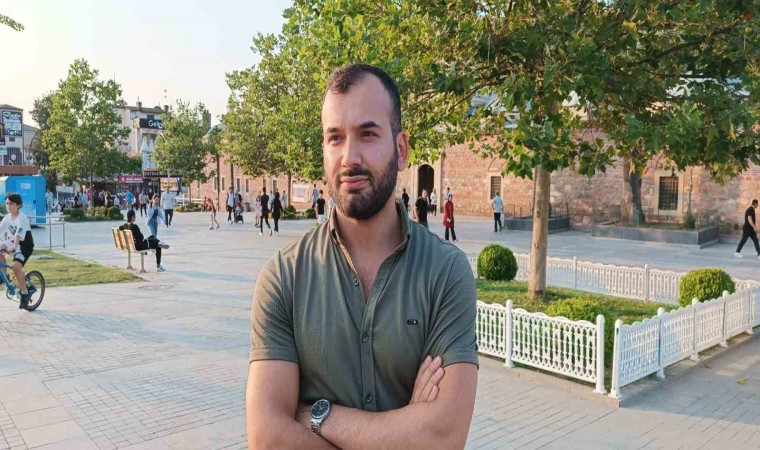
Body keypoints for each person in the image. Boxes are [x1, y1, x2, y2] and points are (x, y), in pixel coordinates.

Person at [247, 64, 477, 449]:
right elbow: (268, 439)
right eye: (335, 138)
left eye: (367, 134)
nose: (349, 157)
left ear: (400, 150)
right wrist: (408, 428)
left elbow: (443, 436)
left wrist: (319, 416)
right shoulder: (284, 279)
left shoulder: (444, 273)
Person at [0, 193, 35, 310]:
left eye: (11, 203)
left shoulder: (22, 217)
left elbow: (18, 234)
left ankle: (25, 293)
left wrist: (14, 247)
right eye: (7, 203)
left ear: (18, 205)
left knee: (15, 267)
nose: (8, 206)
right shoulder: (7, 218)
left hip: (24, 245)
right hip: (13, 241)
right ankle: (4, 276)